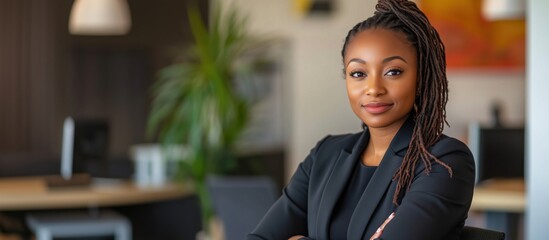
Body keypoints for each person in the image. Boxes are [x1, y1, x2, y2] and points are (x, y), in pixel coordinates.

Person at [247, 0, 475, 239]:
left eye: (393, 72)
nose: (373, 88)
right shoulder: (324, 155)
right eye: (358, 73)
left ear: (420, 78)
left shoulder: (442, 161)